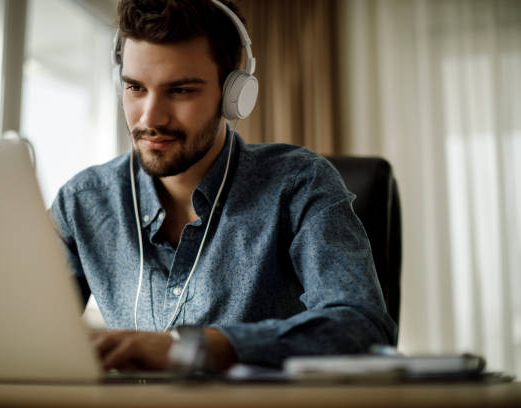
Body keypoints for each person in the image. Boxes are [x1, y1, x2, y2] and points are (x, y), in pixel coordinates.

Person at [50, 0, 396, 373]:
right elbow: (26, 334)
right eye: (135, 87)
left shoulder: (299, 184)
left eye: (181, 90)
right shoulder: (81, 202)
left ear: (234, 95)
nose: (150, 118)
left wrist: (196, 348)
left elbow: (365, 327)